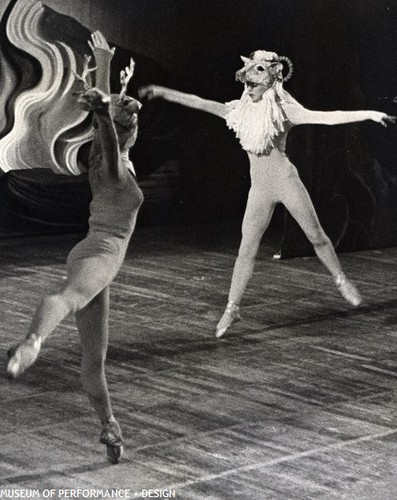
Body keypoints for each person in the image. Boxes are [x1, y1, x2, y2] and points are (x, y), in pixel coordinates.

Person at [139, 50, 395, 338]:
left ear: (272, 81)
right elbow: (199, 102)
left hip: (285, 181)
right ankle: (232, 309)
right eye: (246, 83)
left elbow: (327, 117)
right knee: (246, 249)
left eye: (255, 82)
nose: (248, 87)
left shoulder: (285, 111)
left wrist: (371, 114)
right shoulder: (239, 110)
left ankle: (341, 279)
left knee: (317, 236)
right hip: (259, 188)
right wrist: (162, 92)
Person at [7, 31, 144, 464]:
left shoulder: (110, 164)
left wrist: (103, 64)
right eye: (133, 122)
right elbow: (106, 131)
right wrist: (104, 109)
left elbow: (106, 126)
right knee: (65, 299)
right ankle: (31, 343)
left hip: (94, 255)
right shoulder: (114, 170)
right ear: (127, 135)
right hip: (99, 256)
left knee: (95, 360)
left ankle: (109, 426)